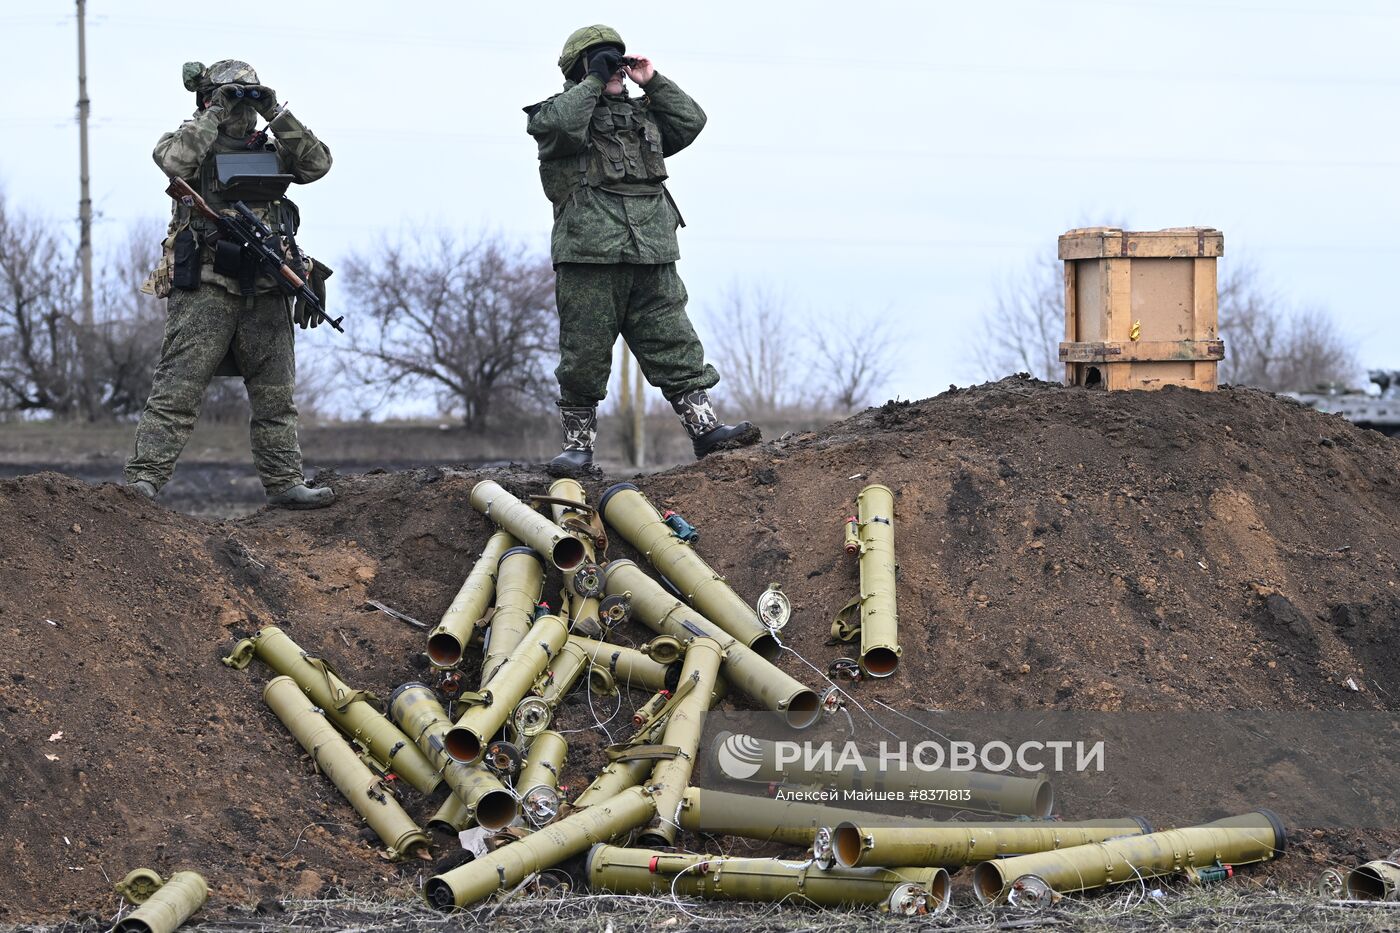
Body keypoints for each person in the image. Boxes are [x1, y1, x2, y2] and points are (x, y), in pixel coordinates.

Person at [526, 25, 760, 477]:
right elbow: (558, 126)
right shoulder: (557, 117)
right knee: (584, 353)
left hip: (652, 252)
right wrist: (592, 81)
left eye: (615, 58)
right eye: (600, 59)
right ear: (579, 69)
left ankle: (706, 430)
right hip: (590, 256)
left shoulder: (642, 117)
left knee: (676, 343)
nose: (613, 67)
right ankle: (578, 449)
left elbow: (691, 121)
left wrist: (651, 81)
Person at [124, 60, 335, 509]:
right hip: (206, 282)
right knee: (177, 390)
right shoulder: (188, 142)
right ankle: (142, 482)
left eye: (249, 98)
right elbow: (173, 163)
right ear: (206, 99)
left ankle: (284, 483)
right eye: (232, 97)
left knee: (276, 395)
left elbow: (317, 165)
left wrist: (277, 110)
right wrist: (213, 114)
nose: (244, 109)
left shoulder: (273, 147)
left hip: (267, 282)